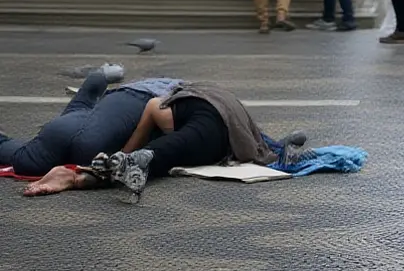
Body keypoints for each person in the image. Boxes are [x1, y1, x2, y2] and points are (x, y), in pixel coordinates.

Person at [23, 83, 277, 202]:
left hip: (204, 134)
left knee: (162, 151)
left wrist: (126, 150)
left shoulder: (167, 101)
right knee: (165, 153)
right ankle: (82, 177)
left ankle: (88, 175)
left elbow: (151, 113)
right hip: (220, 144)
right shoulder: (216, 97)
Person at [0, 72, 180, 177]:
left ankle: (84, 101)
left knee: (78, 132)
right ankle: (83, 103)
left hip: (130, 99)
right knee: (33, 160)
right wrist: (126, 156)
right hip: (140, 99)